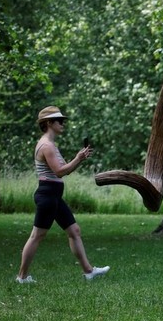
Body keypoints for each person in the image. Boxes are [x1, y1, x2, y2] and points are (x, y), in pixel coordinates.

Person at [16, 106, 110, 283]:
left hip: (54, 196)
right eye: (60, 121)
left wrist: (79, 159)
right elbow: (59, 172)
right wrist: (78, 158)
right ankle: (21, 277)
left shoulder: (51, 145)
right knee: (37, 236)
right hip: (48, 195)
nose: (63, 124)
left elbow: (66, 169)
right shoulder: (46, 146)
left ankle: (89, 271)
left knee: (74, 231)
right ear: (49, 123)